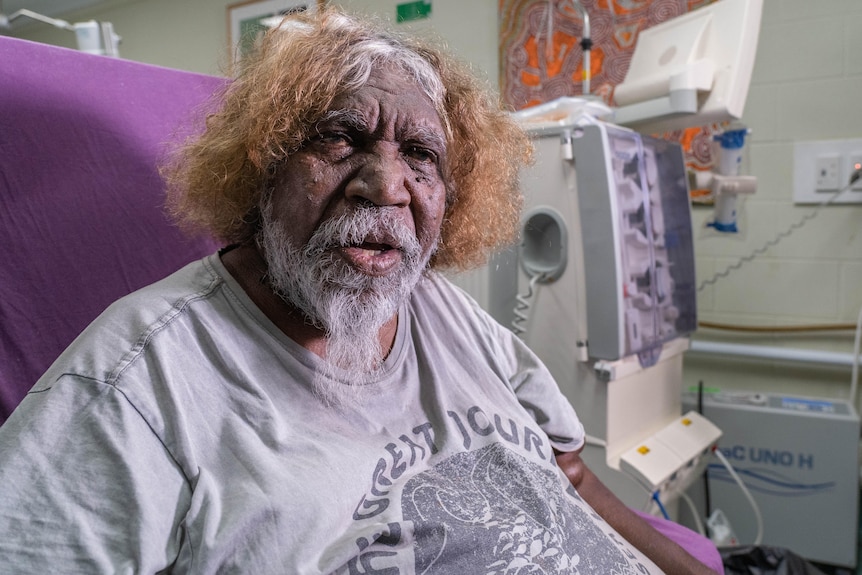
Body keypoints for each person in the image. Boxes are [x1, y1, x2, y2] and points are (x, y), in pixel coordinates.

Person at [0, 7, 720, 574]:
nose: (385, 186)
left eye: (420, 155)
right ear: (263, 171)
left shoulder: (439, 309)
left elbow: (573, 478)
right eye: (341, 138)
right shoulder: (135, 382)